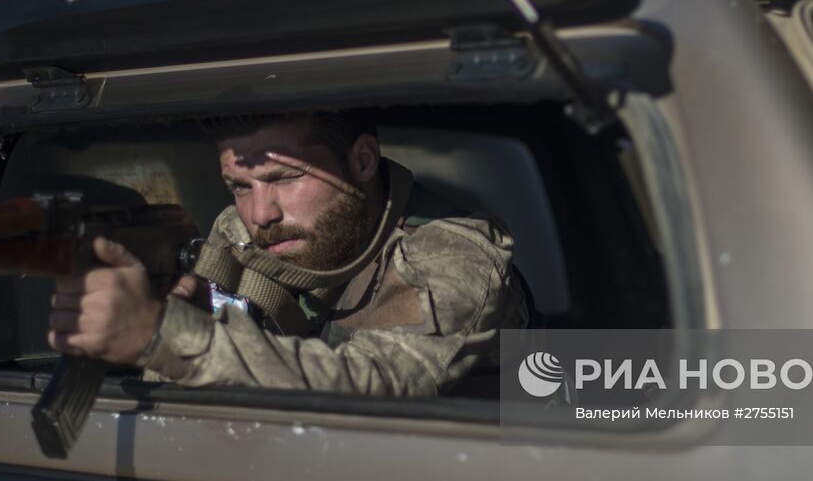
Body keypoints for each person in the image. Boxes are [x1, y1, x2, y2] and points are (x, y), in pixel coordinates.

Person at [47, 111, 530, 395]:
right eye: (240, 186)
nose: (260, 214)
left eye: (285, 179)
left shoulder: (453, 253)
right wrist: (171, 318)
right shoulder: (239, 233)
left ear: (362, 160)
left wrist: (169, 337)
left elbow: (378, 385)